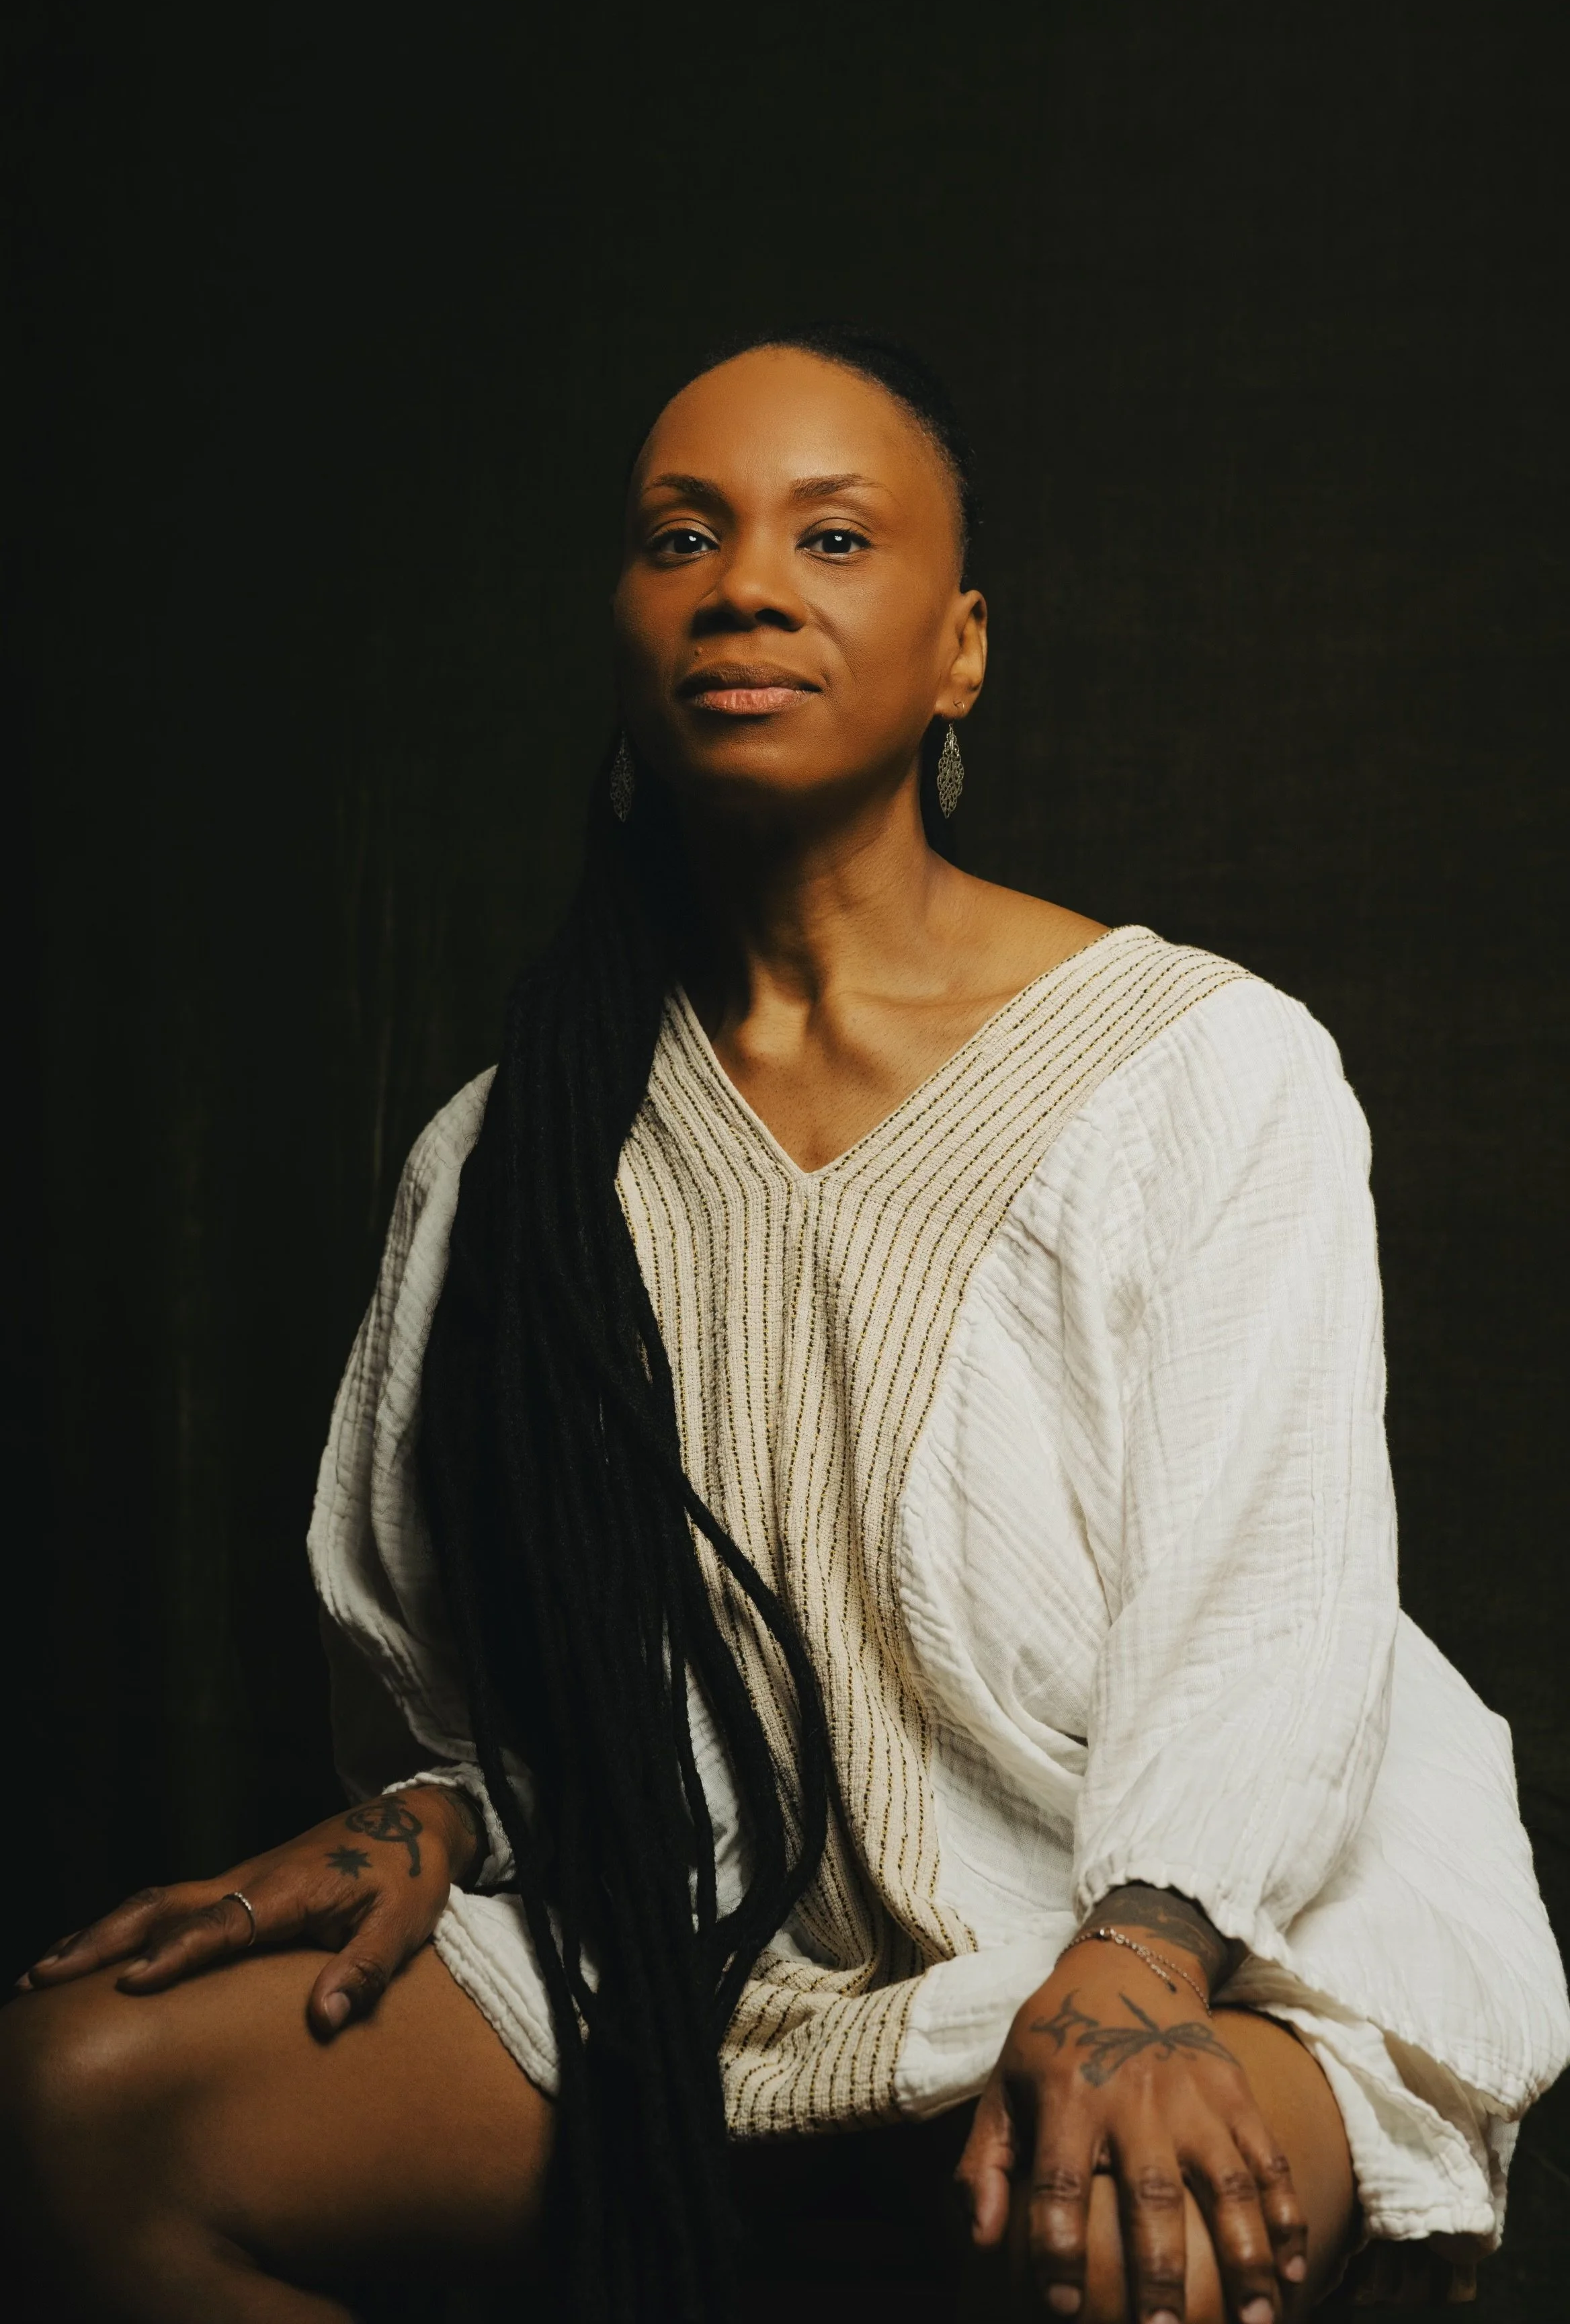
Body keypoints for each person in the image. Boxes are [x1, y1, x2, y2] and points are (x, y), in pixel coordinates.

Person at [3, 326, 1565, 2324]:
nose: (746, 583)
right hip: (696, 1963)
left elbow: (1272, 1601)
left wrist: (1147, 1959)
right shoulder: (511, 1152)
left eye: (833, 537)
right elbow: (478, 1668)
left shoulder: (1206, 1071)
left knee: (1136, 2242)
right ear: (629, 629)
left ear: (961, 650)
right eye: (683, 537)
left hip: (1186, 1924)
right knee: (82, 2104)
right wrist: (435, 1805)